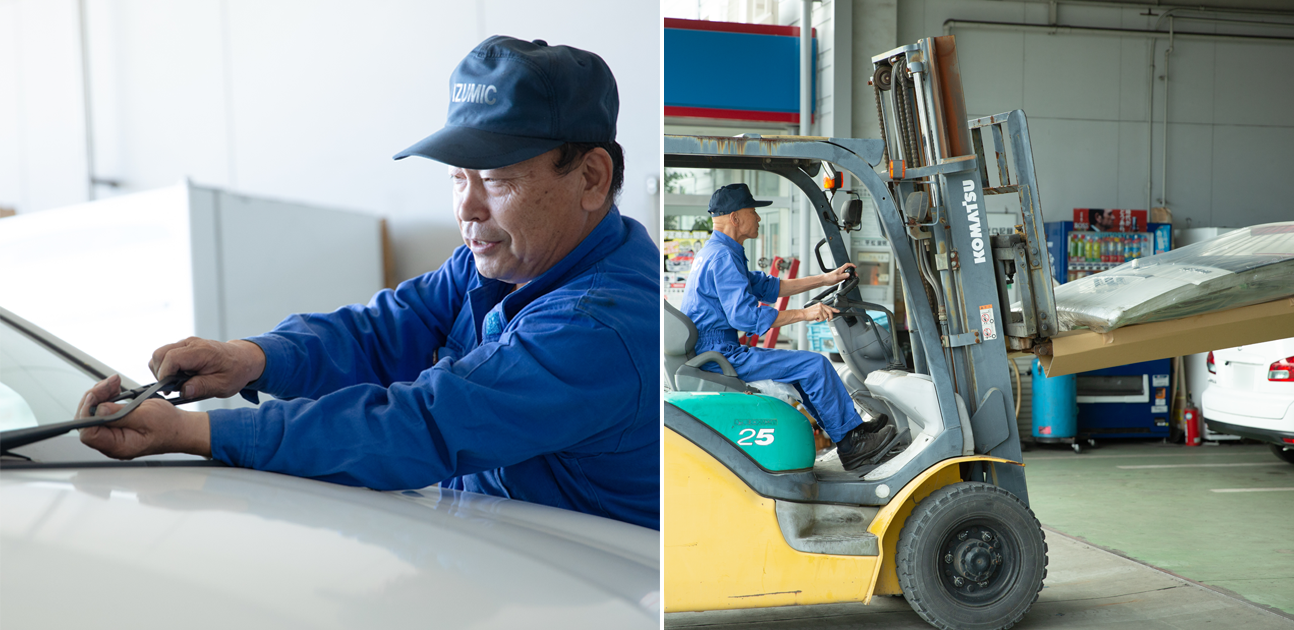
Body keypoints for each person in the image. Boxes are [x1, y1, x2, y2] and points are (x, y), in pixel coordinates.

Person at [70, 36, 661, 530]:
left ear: (590, 177)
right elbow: (381, 332)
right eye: (458, 178)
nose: (468, 209)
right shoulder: (501, 264)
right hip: (500, 564)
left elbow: (421, 424)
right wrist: (251, 358)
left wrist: (195, 432)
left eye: (497, 180)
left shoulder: (600, 324)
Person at [685, 183, 899, 470]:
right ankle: (851, 443)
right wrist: (805, 314)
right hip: (719, 354)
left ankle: (849, 433)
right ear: (736, 218)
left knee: (805, 371)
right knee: (815, 365)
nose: (759, 218)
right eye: (753, 211)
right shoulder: (723, 257)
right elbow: (745, 318)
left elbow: (771, 286)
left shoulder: (717, 251)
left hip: (715, 350)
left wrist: (826, 279)